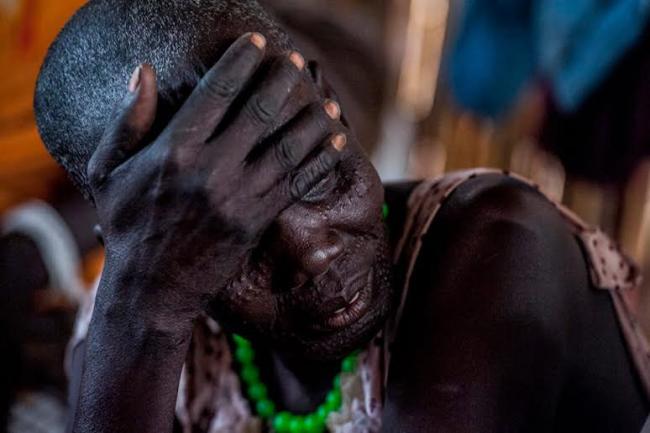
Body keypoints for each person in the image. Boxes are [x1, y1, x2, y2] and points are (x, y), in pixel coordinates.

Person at [34, 0, 650, 432]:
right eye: (237, 240)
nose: (312, 251)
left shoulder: (496, 246)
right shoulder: (141, 323)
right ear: (147, 255)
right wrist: (144, 311)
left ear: (332, 106)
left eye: (320, 179)